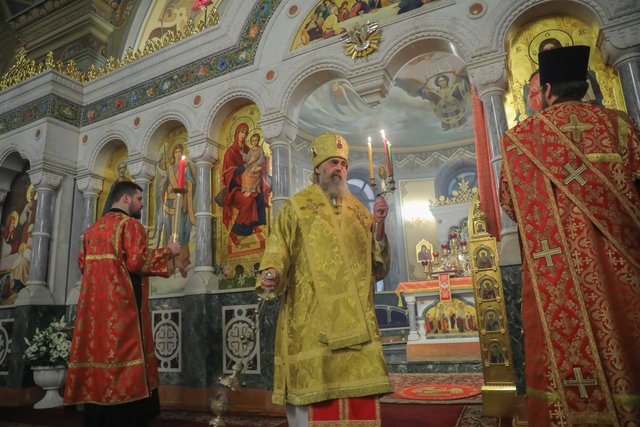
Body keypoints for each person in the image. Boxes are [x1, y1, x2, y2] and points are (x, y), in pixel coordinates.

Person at [499, 45, 640, 425]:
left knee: (562, 359)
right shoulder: (621, 126)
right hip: (621, 269)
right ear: (586, 86)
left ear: (545, 91)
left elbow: (510, 205)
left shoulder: (521, 140)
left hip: (554, 276)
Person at [258, 133, 393, 427]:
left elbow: (377, 266)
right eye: (333, 162)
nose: (339, 169)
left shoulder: (360, 211)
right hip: (310, 318)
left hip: (356, 318)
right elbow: (278, 244)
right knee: (311, 393)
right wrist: (272, 270)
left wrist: (379, 226)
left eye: (343, 164)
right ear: (318, 167)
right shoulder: (296, 207)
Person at [64, 181, 183, 427]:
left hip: (94, 313)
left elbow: (82, 264)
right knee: (124, 357)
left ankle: (97, 416)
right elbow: (137, 262)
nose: (141, 204)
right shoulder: (130, 225)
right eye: (139, 199)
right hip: (122, 310)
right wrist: (169, 252)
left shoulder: (91, 231)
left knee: (97, 358)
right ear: (126, 199)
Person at [221, 123, 270, 245]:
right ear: (236, 134)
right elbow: (232, 173)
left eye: (245, 132)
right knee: (248, 201)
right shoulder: (230, 152)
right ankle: (234, 232)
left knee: (260, 193)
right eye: (241, 132)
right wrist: (249, 164)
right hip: (235, 188)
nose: (243, 135)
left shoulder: (249, 149)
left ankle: (254, 224)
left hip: (250, 181)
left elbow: (258, 160)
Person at [241, 133, 267, 197]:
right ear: (251, 142)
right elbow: (247, 158)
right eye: (253, 141)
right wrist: (243, 154)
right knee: (244, 174)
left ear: (258, 141)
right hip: (250, 166)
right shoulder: (251, 149)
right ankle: (247, 190)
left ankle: (250, 190)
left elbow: (262, 158)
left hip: (257, 166)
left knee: (250, 174)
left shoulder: (260, 149)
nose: (254, 142)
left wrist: (256, 163)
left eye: (256, 140)